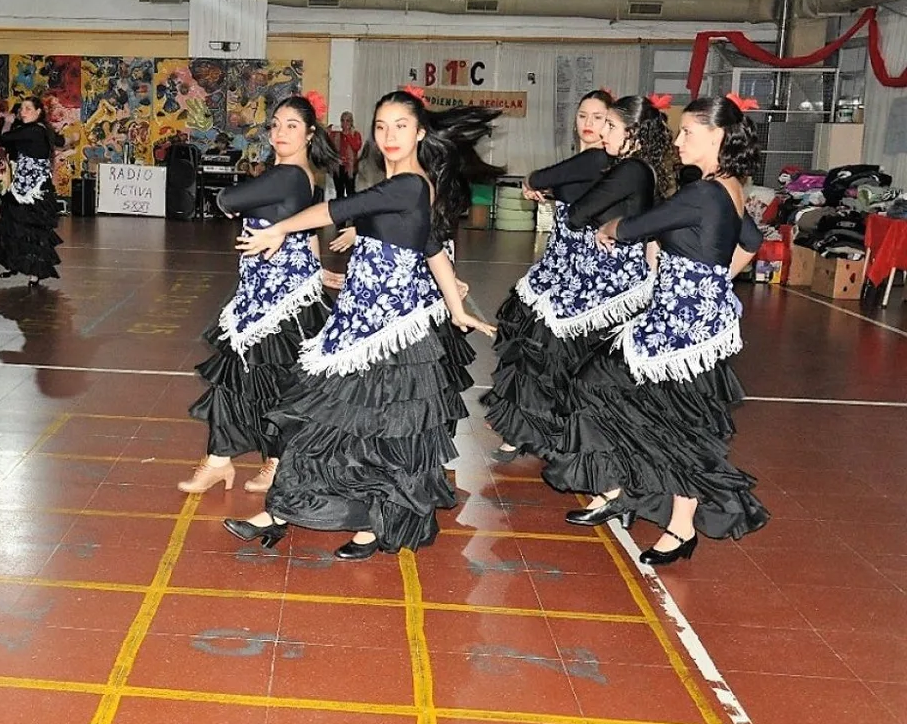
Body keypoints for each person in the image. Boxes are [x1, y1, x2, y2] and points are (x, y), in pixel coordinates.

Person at [225, 90, 497, 559]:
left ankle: (374, 525)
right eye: (381, 126)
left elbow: (336, 210)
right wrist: (454, 306)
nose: (389, 136)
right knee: (324, 420)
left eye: (400, 126)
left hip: (392, 333)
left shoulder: (410, 183)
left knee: (378, 432)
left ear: (420, 133)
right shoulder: (405, 185)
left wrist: (281, 227)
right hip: (356, 324)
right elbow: (429, 245)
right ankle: (282, 512)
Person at [542, 95, 770, 565]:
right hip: (691, 322)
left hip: (682, 331)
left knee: (606, 389)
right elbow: (750, 242)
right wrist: (713, 277)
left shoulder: (706, 191)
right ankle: (649, 505)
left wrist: (612, 229)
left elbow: (635, 227)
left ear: (717, 137)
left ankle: (643, 501)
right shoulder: (725, 187)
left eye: (688, 132)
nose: (680, 139)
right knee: (661, 413)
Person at [179, 92, 338, 496]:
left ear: (309, 134)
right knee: (242, 375)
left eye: (292, 126)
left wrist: (235, 197)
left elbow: (225, 199)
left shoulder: (287, 175)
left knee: (279, 380)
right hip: (260, 292)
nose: (281, 132)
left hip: (283, 301)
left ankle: (277, 460)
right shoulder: (302, 179)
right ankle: (219, 461)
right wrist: (318, 270)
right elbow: (307, 230)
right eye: (277, 125)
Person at [482, 89, 616, 462]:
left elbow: (542, 175)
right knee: (530, 346)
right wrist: (544, 187)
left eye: (598, 118)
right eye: (583, 116)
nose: (589, 125)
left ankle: (542, 431)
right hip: (556, 267)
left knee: (544, 351)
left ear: (612, 122)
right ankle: (523, 429)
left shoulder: (599, 159)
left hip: (581, 274)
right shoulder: (589, 160)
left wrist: (535, 183)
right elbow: (557, 181)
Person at [0, 97, 64, 285]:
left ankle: (34, 271)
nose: (22, 112)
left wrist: (7, 122)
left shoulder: (32, 130)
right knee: (16, 225)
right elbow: (60, 140)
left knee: (32, 229)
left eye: (27, 108)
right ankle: (17, 264)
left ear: (38, 112)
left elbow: (3, 139)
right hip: (24, 184)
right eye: (22, 108)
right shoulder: (41, 129)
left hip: (35, 188)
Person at [330, 110, 361, 199]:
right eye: (342, 120)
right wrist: (328, 131)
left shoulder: (355, 134)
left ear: (351, 122)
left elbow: (356, 146)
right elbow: (329, 146)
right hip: (338, 166)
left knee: (350, 191)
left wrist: (348, 135)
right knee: (339, 192)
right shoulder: (336, 134)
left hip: (350, 167)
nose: (345, 123)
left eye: (347, 120)